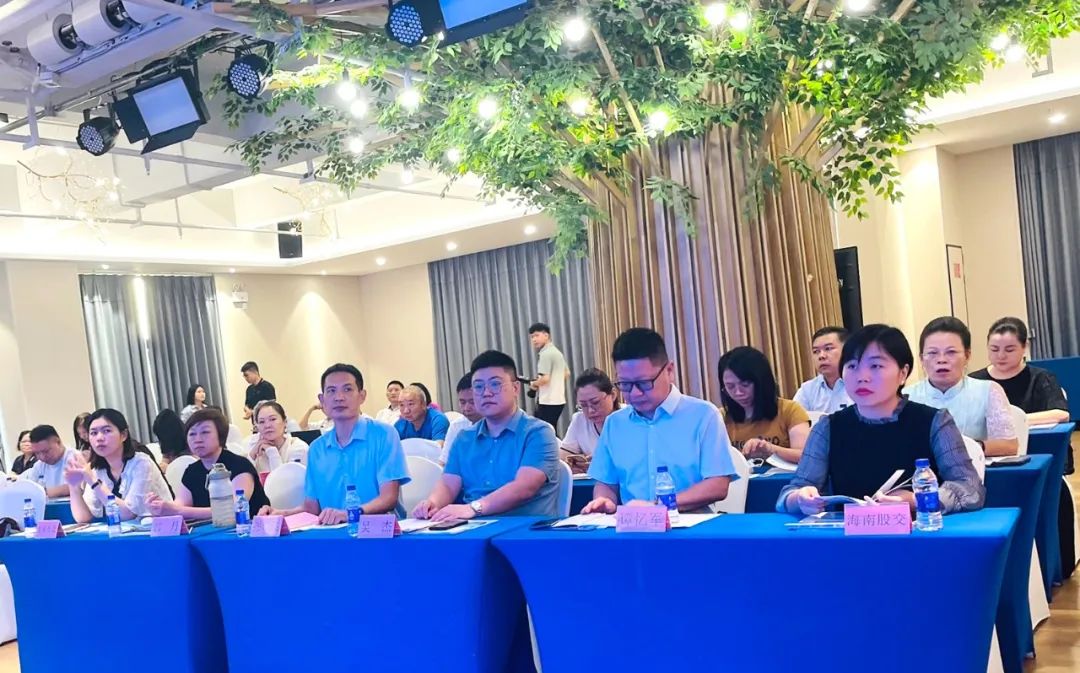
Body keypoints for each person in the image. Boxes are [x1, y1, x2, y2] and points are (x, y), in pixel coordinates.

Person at [779, 324, 985, 515]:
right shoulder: (828, 427)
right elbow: (789, 494)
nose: (862, 377)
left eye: (876, 366)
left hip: (919, 534)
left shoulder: (934, 421)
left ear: (903, 373)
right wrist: (800, 498)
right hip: (849, 535)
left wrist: (917, 500)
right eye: (852, 366)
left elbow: (970, 488)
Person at [582, 328, 737, 514]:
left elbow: (718, 484)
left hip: (690, 525)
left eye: (644, 383)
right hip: (633, 526)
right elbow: (606, 483)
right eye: (625, 384)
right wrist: (604, 501)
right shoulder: (615, 423)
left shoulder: (703, 415)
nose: (635, 393)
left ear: (669, 371)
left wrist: (661, 506)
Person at [413, 350, 560, 520]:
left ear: (515, 388)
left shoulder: (539, 433)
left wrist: (474, 508)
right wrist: (433, 502)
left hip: (524, 527)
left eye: (495, 384)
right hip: (473, 525)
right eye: (478, 386)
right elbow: (448, 483)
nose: (486, 393)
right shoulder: (464, 438)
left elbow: (524, 488)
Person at [259, 364, 410, 523]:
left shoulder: (384, 434)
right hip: (333, 531)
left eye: (347, 389)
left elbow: (388, 498)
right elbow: (312, 508)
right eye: (331, 391)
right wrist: (280, 513)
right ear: (322, 400)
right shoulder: (317, 449)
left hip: (379, 531)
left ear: (362, 396)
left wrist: (349, 514)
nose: (339, 397)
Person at [904, 316, 1018, 457]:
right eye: (932, 353)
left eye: (951, 352)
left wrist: (972, 447)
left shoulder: (988, 391)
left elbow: (1009, 446)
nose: (941, 360)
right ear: (921, 359)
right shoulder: (906, 397)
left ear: (967, 355)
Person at [147, 408, 269, 519]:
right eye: (192, 434)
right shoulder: (192, 471)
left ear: (220, 435)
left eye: (205, 432)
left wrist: (177, 510)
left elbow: (232, 509)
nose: (197, 439)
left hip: (250, 530)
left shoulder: (240, 465)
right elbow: (179, 505)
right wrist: (161, 507)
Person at [64, 409, 173, 522]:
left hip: (160, 528)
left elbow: (127, 514)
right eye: (93, 433)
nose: (99, 438)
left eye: (106, 431)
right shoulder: (97, 469)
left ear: (123, 435)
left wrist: (93, 481)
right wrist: (74, 487)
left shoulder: (141, 463)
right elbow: (83, 518)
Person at [718, 346, 810, 465]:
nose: (738, 392)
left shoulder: (790, 410)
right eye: (730, 387)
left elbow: (806, 456)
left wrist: (770, 449)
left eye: (745, 384)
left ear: (762, 382)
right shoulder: (720, 417)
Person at [970, 317, 1070, 425]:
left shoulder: (1041, 378)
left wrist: (1010, 421)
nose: (1001, 355)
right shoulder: (973, 382)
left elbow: (1061, 414)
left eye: (1009, 350)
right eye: (994, 349)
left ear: (1025, 347)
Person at [560, 368, 620, 473]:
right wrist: (571, 463)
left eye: (595, 402)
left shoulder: (630, 418)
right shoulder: (579, 420)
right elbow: (563, 455)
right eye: (583, 405)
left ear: (613, 395)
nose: (590, 410)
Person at [793, 326, 853, 414]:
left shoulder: (861, 384)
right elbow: (794, 419)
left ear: (847, 350)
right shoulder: (807, 390)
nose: (821, 356)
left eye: (828, 348)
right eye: (816, 351)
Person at [245, 400, 309, 474]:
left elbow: (283, 480)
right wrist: (252, 455)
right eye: (262, 422)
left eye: (272, 419)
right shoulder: (252, 446)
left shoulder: (299, 448)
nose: (267, 425)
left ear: (285, 422)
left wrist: (272, 452)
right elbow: (242, 478)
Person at [528, 322, 569, 429]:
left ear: (546, 335)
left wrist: (534, 384)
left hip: (547, 401)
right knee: (551, 429)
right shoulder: (557, 352)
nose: (534, 339)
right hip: (559, 399)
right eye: (532, 337)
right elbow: (566, 373)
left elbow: (545, 379)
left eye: (537, 335)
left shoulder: (545, 354)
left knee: (542, 430)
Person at [20, 425, 78, 497]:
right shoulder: (39, 465)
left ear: (58, 442)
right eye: (37, 453)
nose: (42, 457)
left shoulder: (75, 458)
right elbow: (30, 488)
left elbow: (76, 487)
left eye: (46, 451)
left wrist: (44, 492)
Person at [438, 373, 481, 464]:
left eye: (472, 402)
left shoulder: (499, 424)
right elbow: (444, 463)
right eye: (462, 402)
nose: (466, 408)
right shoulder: (456, 426)